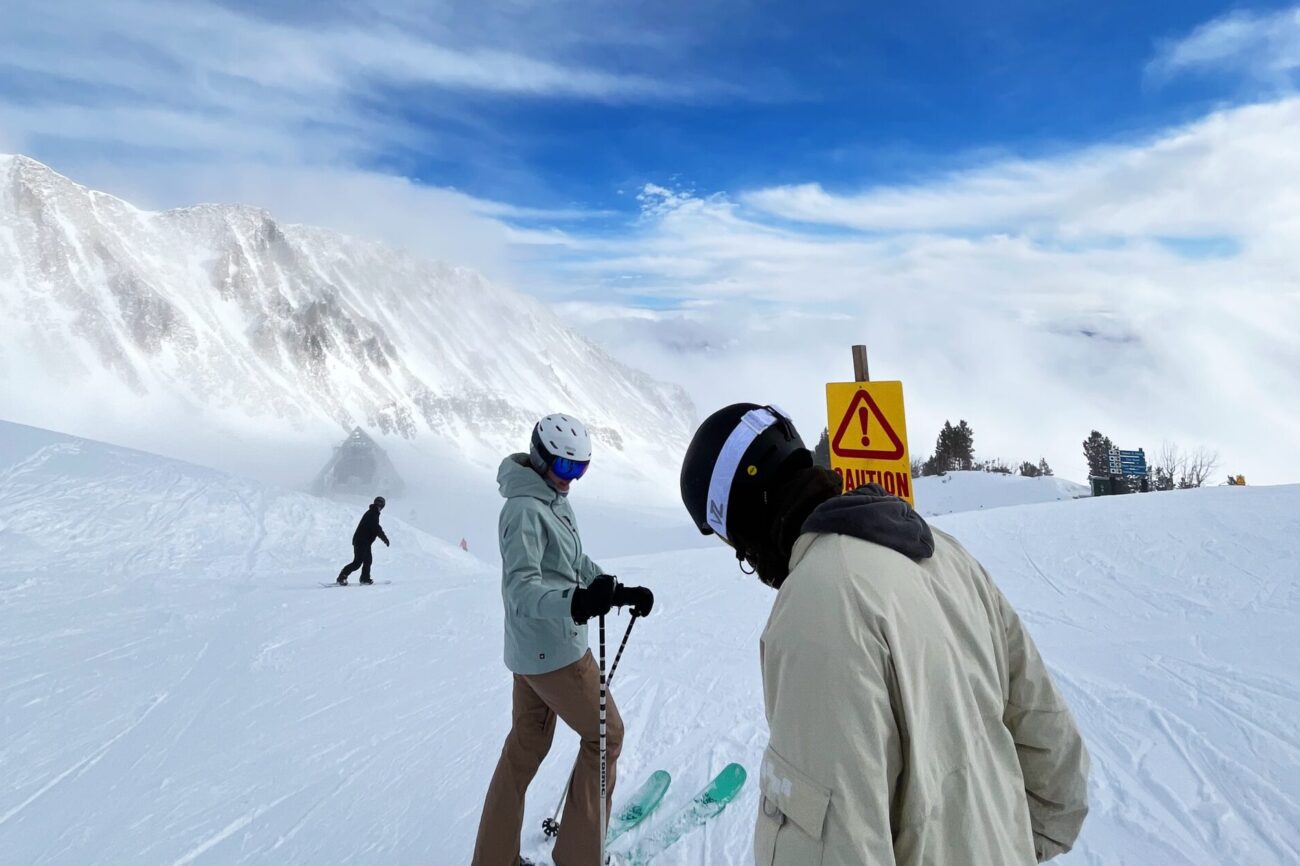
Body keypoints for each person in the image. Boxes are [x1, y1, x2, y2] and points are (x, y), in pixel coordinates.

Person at [680, 404, 1090, 865]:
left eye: (742, 549)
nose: (755, 567)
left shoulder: (816, 603)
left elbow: (826, 845)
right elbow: (1053, 753)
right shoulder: (942, 552)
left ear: (749, 518)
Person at [472, 413, 654, 866]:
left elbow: (572, 561)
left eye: (581, 469)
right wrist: (575, 602)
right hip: (555, 653)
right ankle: (579, 857)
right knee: (606, 736)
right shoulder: (523, 510)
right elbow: (521, 590)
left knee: (525, 748)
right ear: (539, 458)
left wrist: (611, 588)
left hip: (533, 652)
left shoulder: (551, 500)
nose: (570, 479)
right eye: (564, 467)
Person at [336, 496, 389, 585]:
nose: (379, 506)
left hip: (364, 542)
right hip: (361, 541)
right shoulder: (372, 513)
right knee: (357, 562)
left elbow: (375, 527)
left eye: (381, 505)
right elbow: (376, 528)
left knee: (368, 560)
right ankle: (342, 577)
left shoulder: (373, 512)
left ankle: (365, 578)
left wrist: (383, 538)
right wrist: (384, 538)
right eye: (378, 504)